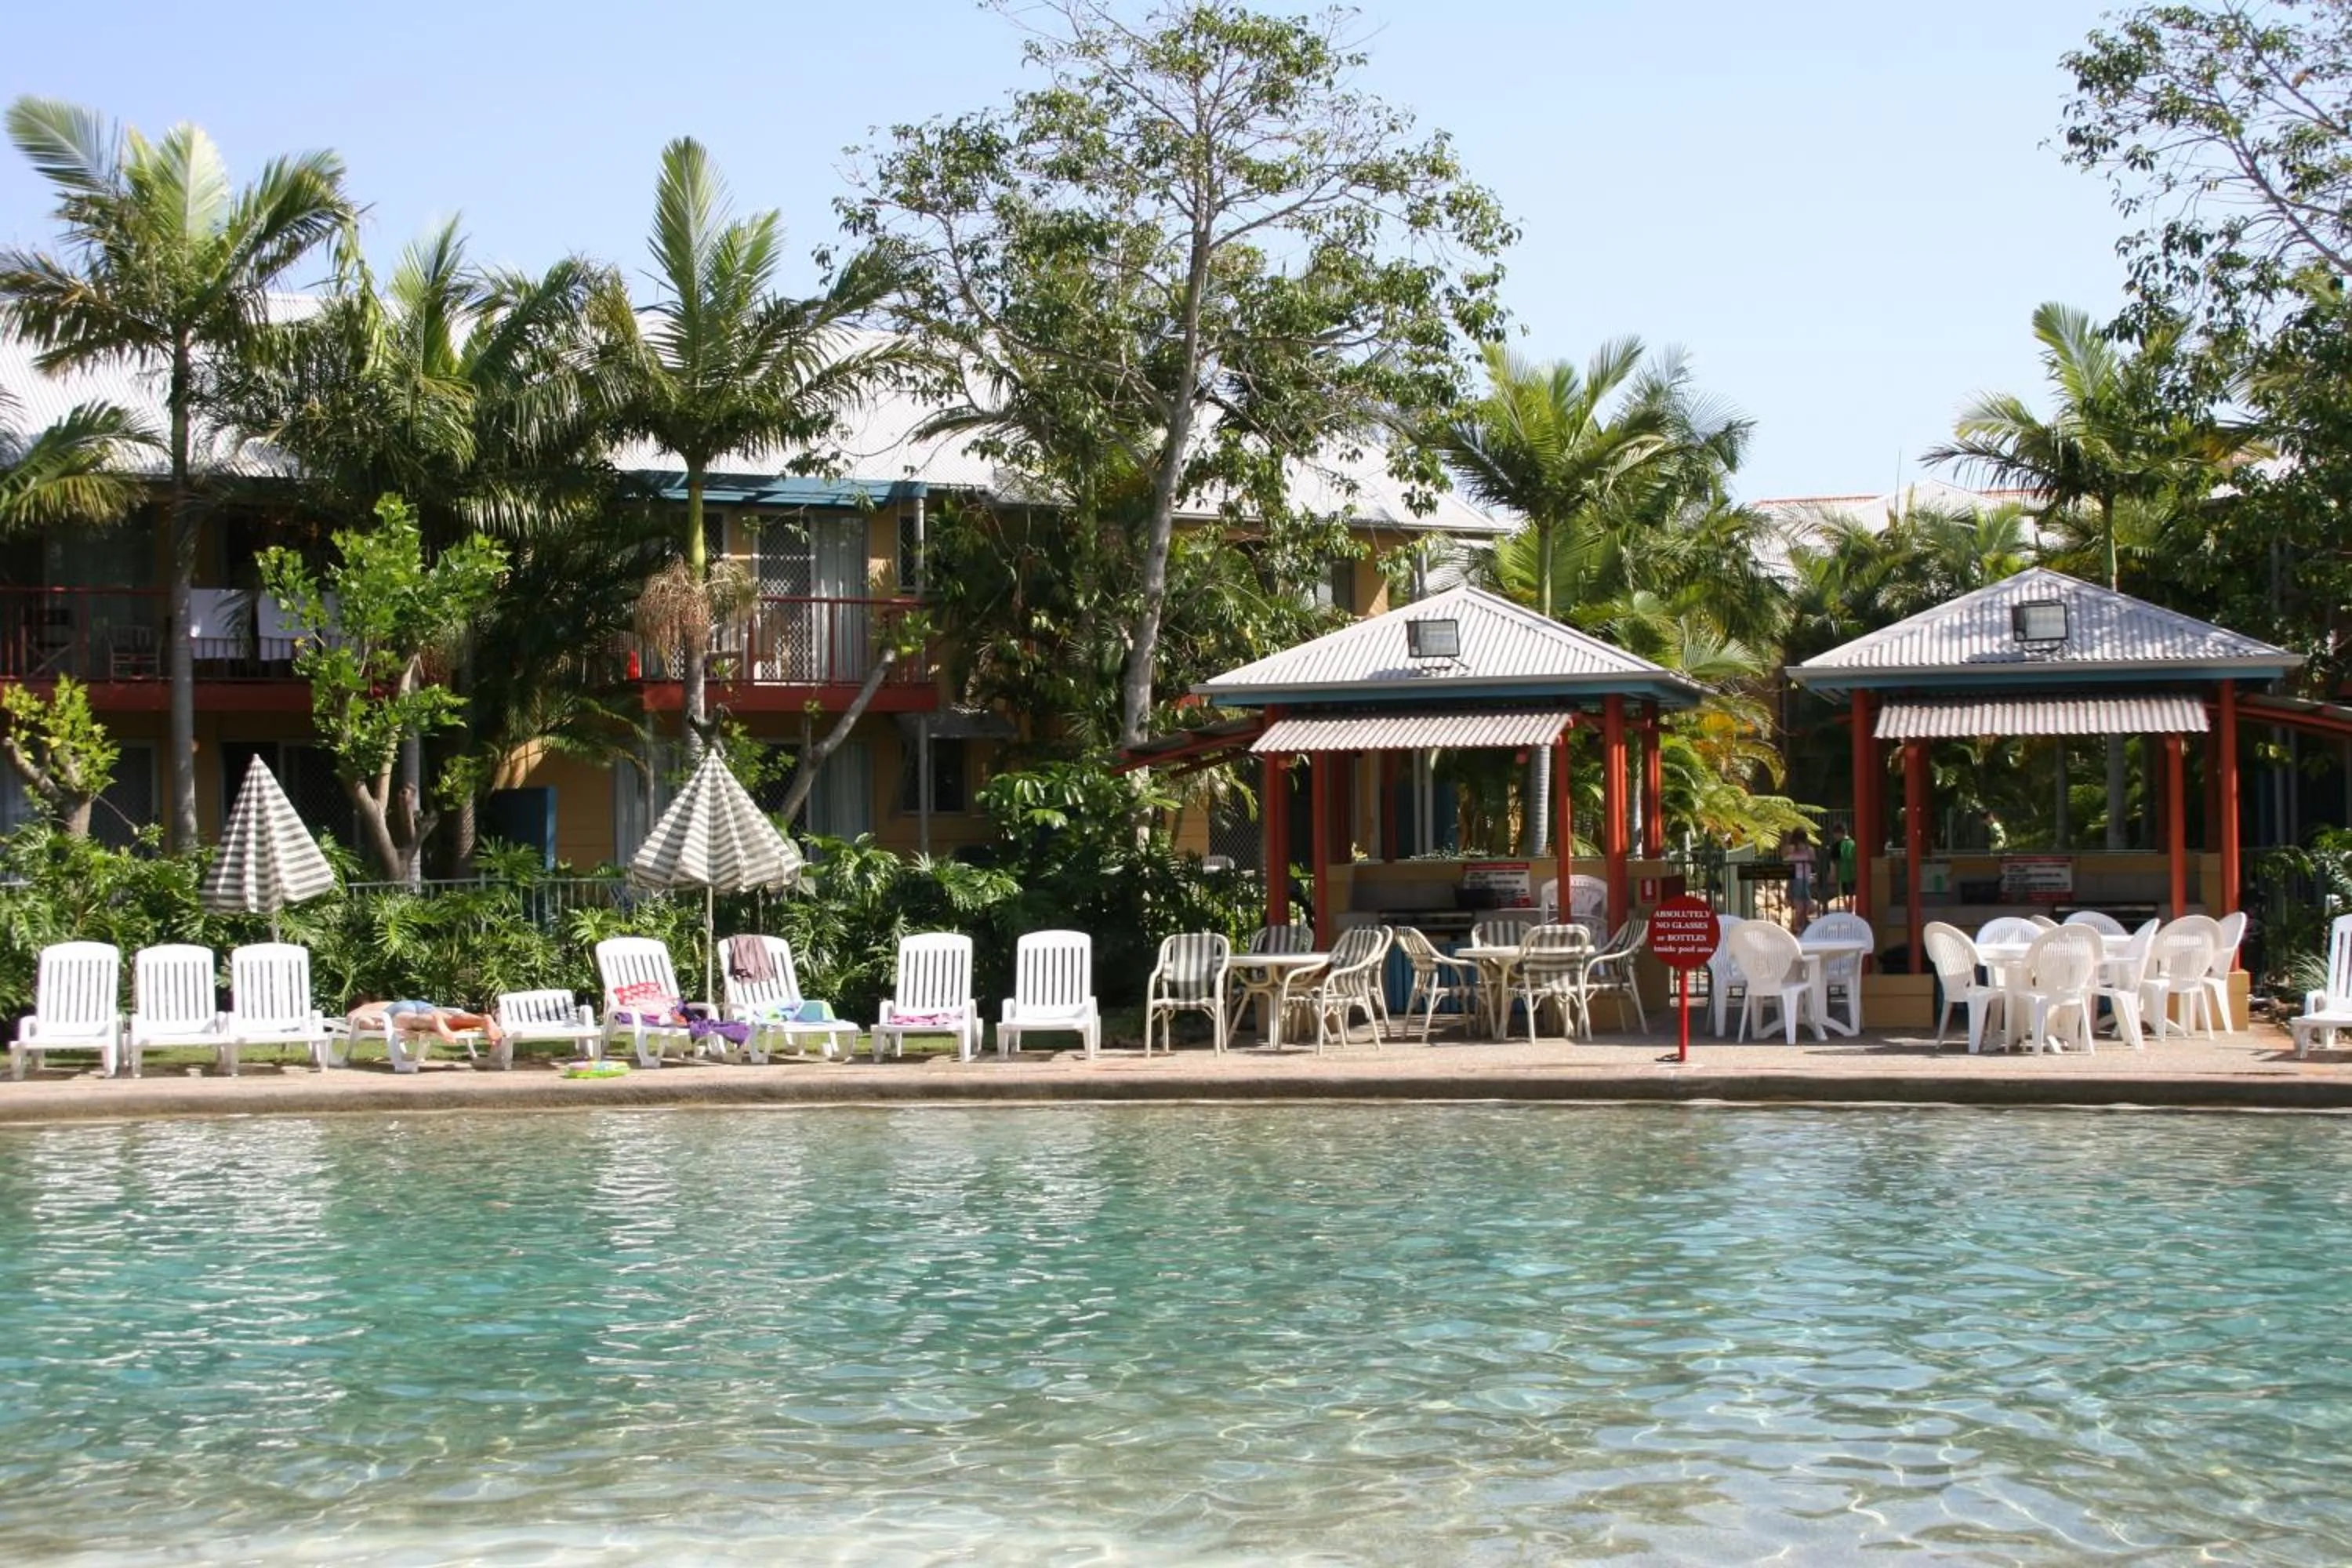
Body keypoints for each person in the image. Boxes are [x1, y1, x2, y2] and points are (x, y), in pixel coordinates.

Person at [347, 999, 504, 1049]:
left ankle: (434, 1022)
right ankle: (482, 1020)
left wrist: (376, 1026)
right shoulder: (381, 1002)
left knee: (414, 1021)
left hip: (396, 1011)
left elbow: (359, 1021)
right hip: (417, 1003)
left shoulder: (359, 1010)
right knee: (451, 1021)